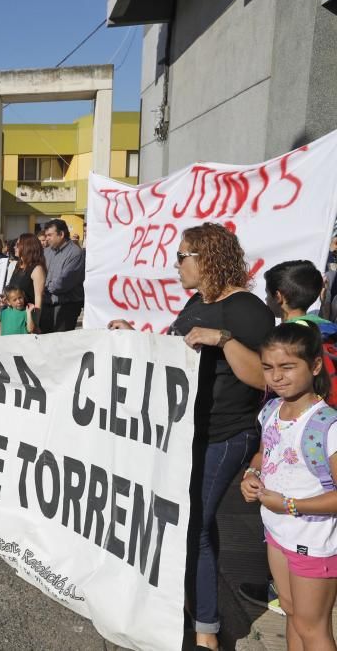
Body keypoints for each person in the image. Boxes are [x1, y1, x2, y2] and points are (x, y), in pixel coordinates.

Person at [109, 223, 275, 650]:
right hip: (189, 433)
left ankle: (206, 632)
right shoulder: (198, 300)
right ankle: (192, 608)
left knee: (195, 525)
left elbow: (263, 377)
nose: (176, 263)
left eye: (183, 256)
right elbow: (177, 351)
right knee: (192, 524)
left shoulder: (246, 310)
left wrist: (223, 340)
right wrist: (134, 336)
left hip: (226, 433)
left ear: (208, 259)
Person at [241, 322, 337, 650]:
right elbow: (265, 454)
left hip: (314, 541)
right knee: (292, 612)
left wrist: (291, 505)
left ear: (314, 365)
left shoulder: (327, 426)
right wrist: (251, 475)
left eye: (287, 367)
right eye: (268, 367)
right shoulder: (270, 409)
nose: (276, 376)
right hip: (277, 532)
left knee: (314, 629)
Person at [265, 260, 337, 338]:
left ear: (278, 297)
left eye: (267, 293)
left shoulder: (285, 337)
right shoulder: (327, 327)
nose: (266, 298)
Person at [40, 219, 85, 333]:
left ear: (61, 234)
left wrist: (42, 287)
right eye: (46, 235)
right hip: (46, 305)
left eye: (50, 235)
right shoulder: (46, 252)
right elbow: (39, 274)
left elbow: (61, 284)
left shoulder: (75, 253)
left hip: (66, 307)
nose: (47, 238)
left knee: (61, 345)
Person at [10, 233, 47, 309]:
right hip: (14, 314)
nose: (14, 247)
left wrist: (35, 319)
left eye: (17, 245)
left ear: (27, 247)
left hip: (27, 316)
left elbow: (38, 298)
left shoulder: (37, 269)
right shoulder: (18, 265)